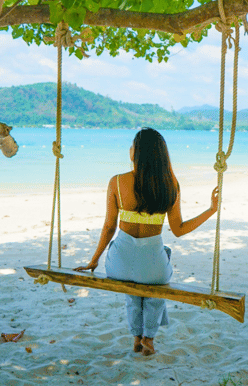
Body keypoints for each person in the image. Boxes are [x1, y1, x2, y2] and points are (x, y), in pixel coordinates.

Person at [75, 127, 219, 356]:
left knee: (133, 283)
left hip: (119, 267)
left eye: (132, 146)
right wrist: (211, 210)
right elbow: (179, 230)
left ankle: (135, 335)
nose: (129, 149)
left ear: (137, 153)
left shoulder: (117, 182)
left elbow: (109, 227)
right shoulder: (171, 185)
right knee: (156, 279)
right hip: (153, 268)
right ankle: (148, 338)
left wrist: (94, 260)